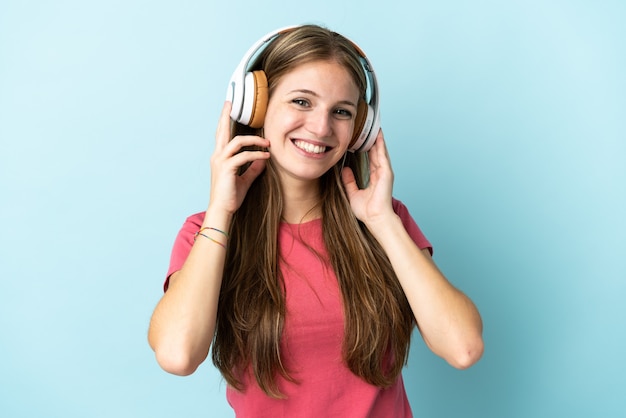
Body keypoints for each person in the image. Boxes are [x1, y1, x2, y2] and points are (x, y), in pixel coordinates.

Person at [148, 24, 483, 417]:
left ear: (360, 130)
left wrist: (381, 222)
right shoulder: (206, 234)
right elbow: (177, 355)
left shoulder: (385, 220)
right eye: (302, 102)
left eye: (341, 112)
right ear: (255, 106)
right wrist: (221, 212)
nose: (321, 128)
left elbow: (463, 347)